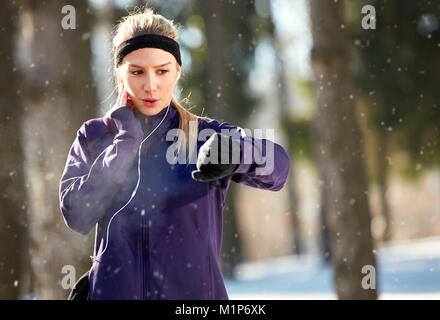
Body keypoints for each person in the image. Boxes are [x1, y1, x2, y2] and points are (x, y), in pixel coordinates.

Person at [59, 6, 290, 300]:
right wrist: (126, 141)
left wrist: (238, 152)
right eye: (137, 72)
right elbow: (77, 213)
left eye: (162, 71)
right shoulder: (95, 136)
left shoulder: (200, 136)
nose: (150, 84)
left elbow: (279, 167)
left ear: (178, 71)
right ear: (120, 74)